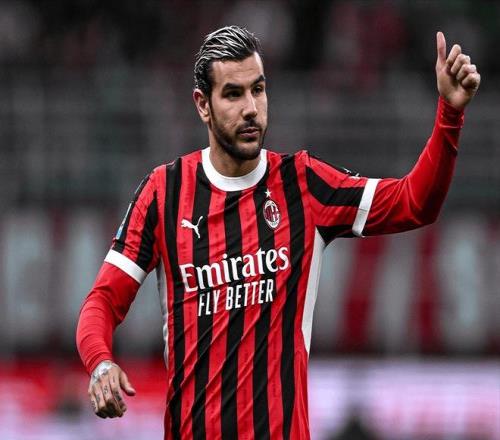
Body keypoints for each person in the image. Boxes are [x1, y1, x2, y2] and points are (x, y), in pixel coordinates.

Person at [76, 25, 480, 440]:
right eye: (233, 94)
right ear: (203, 105)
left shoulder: (303, 184)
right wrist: (100, 362)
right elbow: (102, 301)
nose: (251, 108)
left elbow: (416, 202)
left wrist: (450, 113)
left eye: (258, 89)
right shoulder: (165, 192)